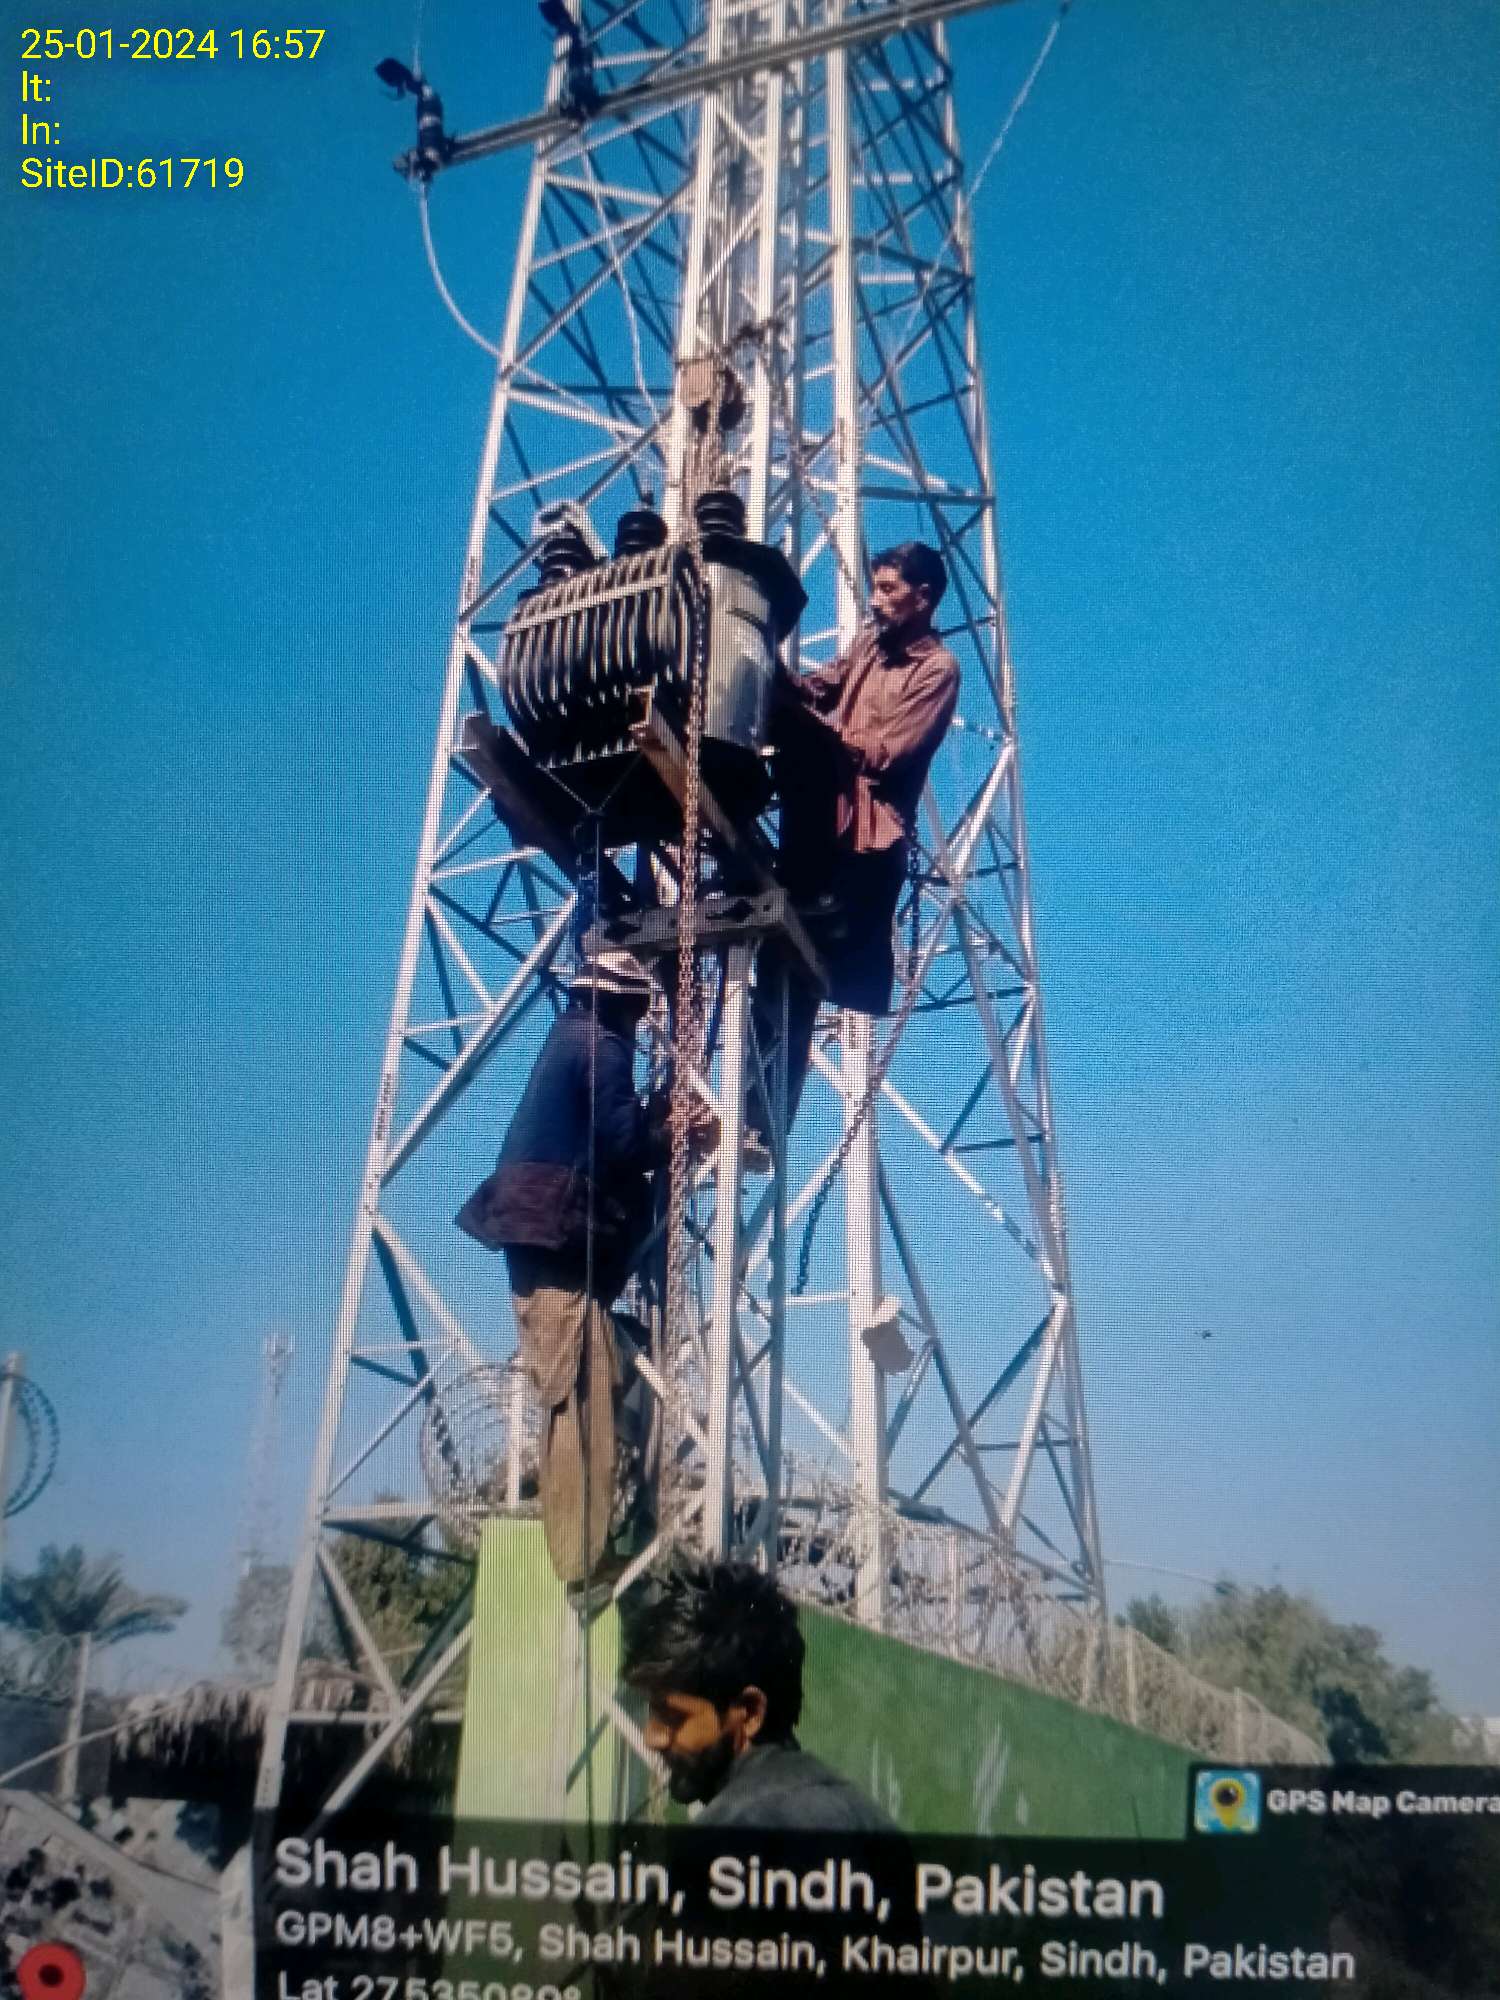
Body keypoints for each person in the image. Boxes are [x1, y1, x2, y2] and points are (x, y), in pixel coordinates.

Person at [456, 950, 710, 1585]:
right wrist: (678, 1134)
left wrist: (660, 1118)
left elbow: (607, 1134)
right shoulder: (602, 1043)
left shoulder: (571, 1036)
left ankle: (587, 1541)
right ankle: (581, 1561)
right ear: (626, 1004)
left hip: (543, 1234)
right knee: (579, 1395)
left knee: (599, 1372)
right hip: (555, 1235)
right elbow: (621, 1144)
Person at [749, 541, 960, 1150]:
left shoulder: (938, 670)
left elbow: (886, 754)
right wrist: (765, 660)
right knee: (780, 969)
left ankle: (765, 1123)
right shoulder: (871, 642)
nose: (876, 600)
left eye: (889, 590)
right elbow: (820, 688)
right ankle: (755, 1118)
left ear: (923, 597)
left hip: (864, 844)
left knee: (801, 969)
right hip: (821, 823)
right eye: (875, 587)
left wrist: (818, 731)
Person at [620, 1556, 897, 1831]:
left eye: (673, 1717)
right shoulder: (873, 1822)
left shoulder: (726, 1834)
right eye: (653, 1712)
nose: (651, 1737)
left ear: (750, 1712)